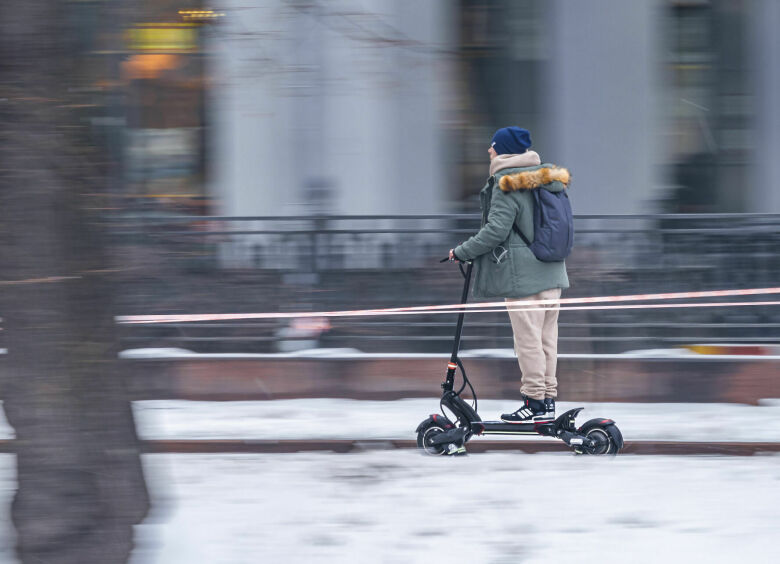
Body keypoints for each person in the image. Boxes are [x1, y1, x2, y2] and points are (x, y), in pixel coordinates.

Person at [449, 126, 570, 423]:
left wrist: (462, 251)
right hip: (552, 272)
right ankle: (547, 400)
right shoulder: (548, 181)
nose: (489, 151)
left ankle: (533, 401)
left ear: (504, 151)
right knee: (546, 341)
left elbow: (495, 231)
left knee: (528, 342)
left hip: (523, 279)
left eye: (493, 146)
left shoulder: (507, 184)